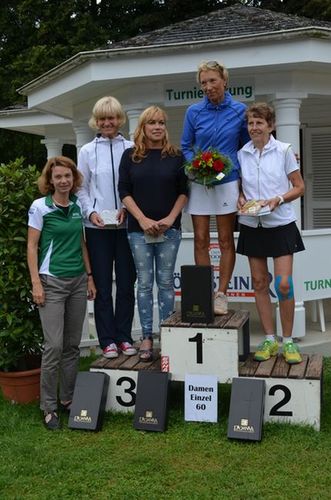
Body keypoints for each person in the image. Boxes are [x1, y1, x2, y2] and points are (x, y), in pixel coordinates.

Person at [27, 156, 97, 430]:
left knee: (71, 346)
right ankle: (48, 406)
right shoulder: (40, 207)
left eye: (67, 176)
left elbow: (81, 243)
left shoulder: (78, 205)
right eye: (58, 177)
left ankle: (67, 399)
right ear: (50, 180)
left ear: (74, 178)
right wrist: (36, 283)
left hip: (78, 280)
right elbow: (32, 247)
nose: (63, 181)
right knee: (53, 346)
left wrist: (89, 277)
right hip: (52, 281)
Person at [237, 102, 305, 364]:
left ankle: (288, 341)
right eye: (251, 123)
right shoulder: (242, 153)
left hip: (281, 224)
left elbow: (299, 187)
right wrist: (240, 197)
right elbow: (240, 187)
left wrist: (278, 199)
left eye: (259, 123)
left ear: (271, 126)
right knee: (259, 283)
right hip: (252, 224)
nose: (254, 128)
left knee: (283, 284)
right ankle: (269, 339)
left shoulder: (285, 150)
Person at [118, 106, 188, 361]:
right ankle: (147, 336)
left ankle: (167, 335)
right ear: (143, 127)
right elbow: (124, 191)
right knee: (145, 284)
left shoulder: (176, 156)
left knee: (167, 283)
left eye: (161, 122)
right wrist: (142, 219)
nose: (157, 127)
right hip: (139, 231)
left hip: (169, 230)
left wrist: (170, 219)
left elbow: (184, 191)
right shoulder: (130, 157)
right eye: (152, 123)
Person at [181, 60, 250, 315]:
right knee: (200, 239)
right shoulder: (193, 112)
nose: (208, 87)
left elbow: (247, 147)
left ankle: (221, 294)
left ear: (224, 80)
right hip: (200, 182)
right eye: (204, 83)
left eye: (212, 81)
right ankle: (204, 292)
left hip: (228, 181)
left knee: (224, 239)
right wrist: (197, 166)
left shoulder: (240, 110)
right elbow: (186, 145)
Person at [77, 96, 137, 359]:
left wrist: (129, 208)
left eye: (111, 117)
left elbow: (135, 184)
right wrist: (90, 212)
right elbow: (81, 187)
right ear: (96, 121)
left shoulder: (133, 147)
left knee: (126, 284)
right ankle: (107, 340)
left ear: (119, 119)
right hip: (97, 228)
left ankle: (124, 337)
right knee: (102, 286)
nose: (107, 123)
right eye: (102, 119)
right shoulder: (87, 150)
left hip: (126, 227)